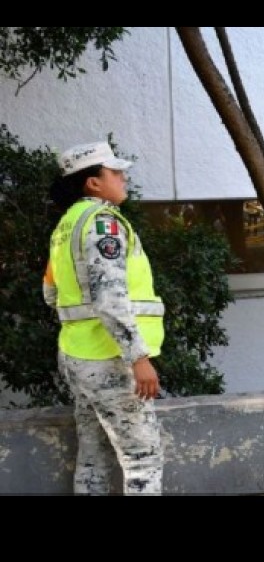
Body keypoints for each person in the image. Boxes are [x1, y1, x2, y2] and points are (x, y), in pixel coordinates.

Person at [44, 141, 165, 495]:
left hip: (76, 355)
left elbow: (50, 294)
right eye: (115, 172)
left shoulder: (65, 227)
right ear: (93, 182)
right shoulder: (102, 224)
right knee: (143, 459)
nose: (123, 178)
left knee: (93, 456)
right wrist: (137, 357)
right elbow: (110, 297)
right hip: (109, 358)